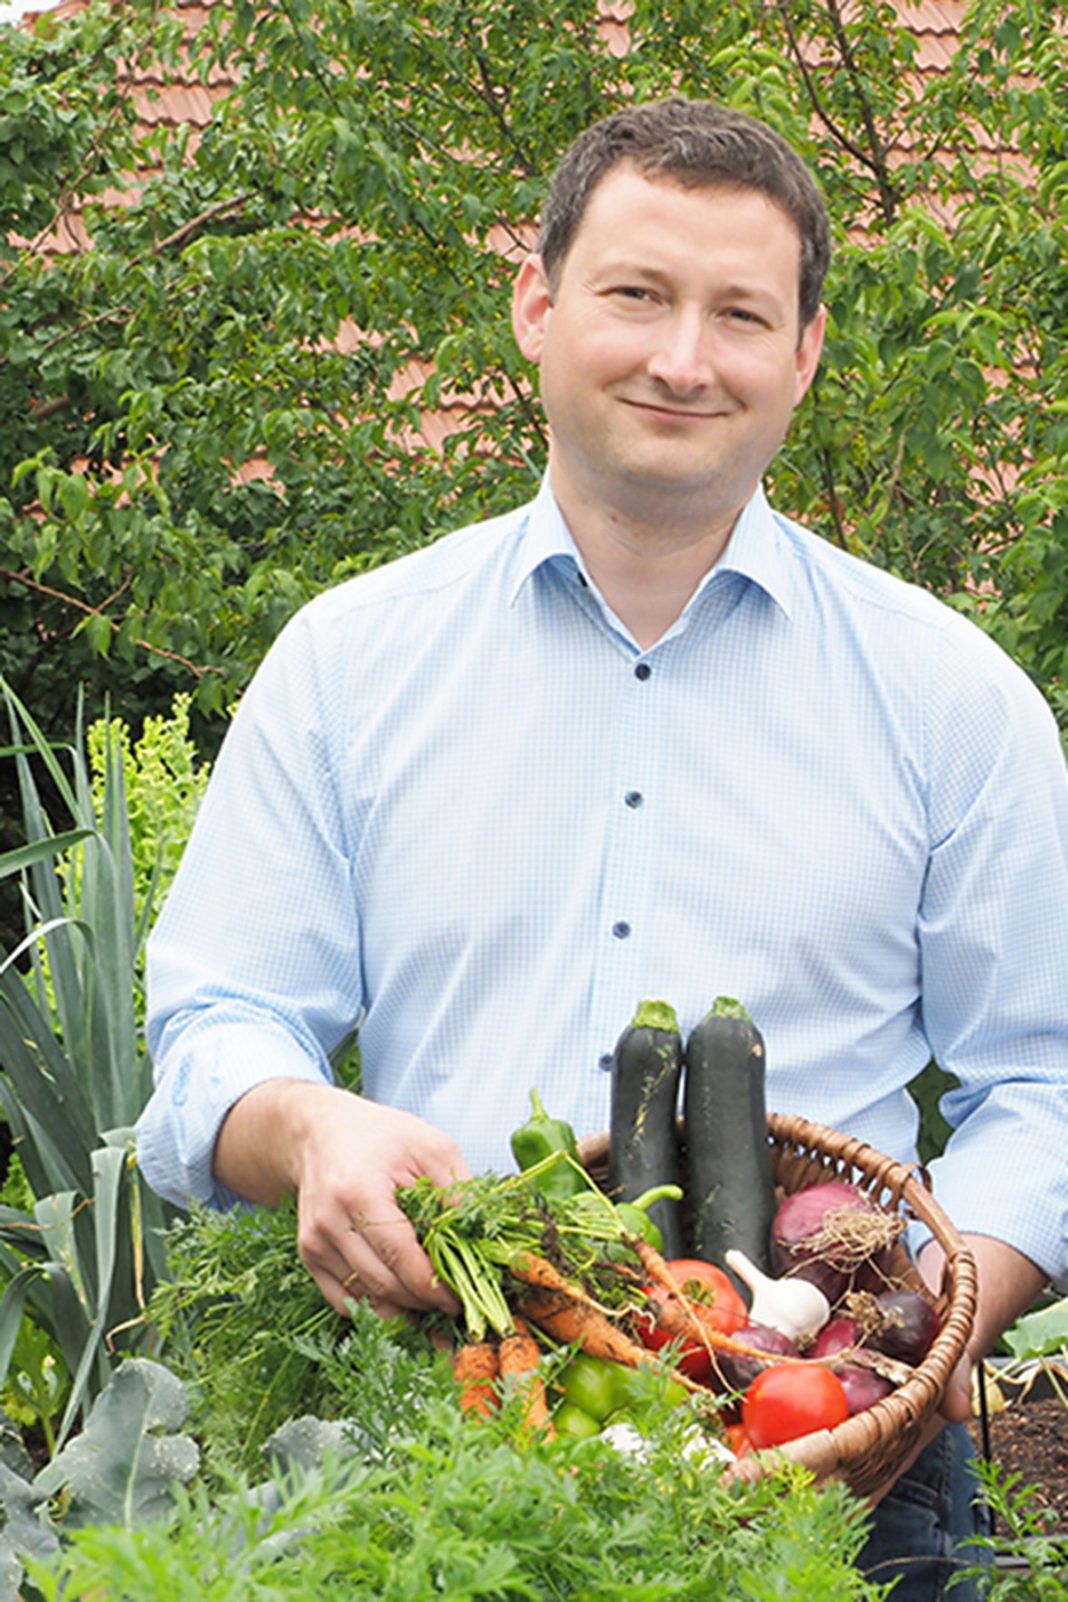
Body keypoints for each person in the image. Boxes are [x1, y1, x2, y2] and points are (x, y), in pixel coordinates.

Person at [136, 97, 1068, 1598]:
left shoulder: (952, 698)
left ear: (807, 353)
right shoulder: (350, 662)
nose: (683, 357)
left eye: (741, 314)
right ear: (538, 302)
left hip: (837, 1449)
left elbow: (1051, 1077)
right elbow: (211, 1030)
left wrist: (926, 1309)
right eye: (637, 294)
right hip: (443, 1424)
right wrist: (311, 1129)